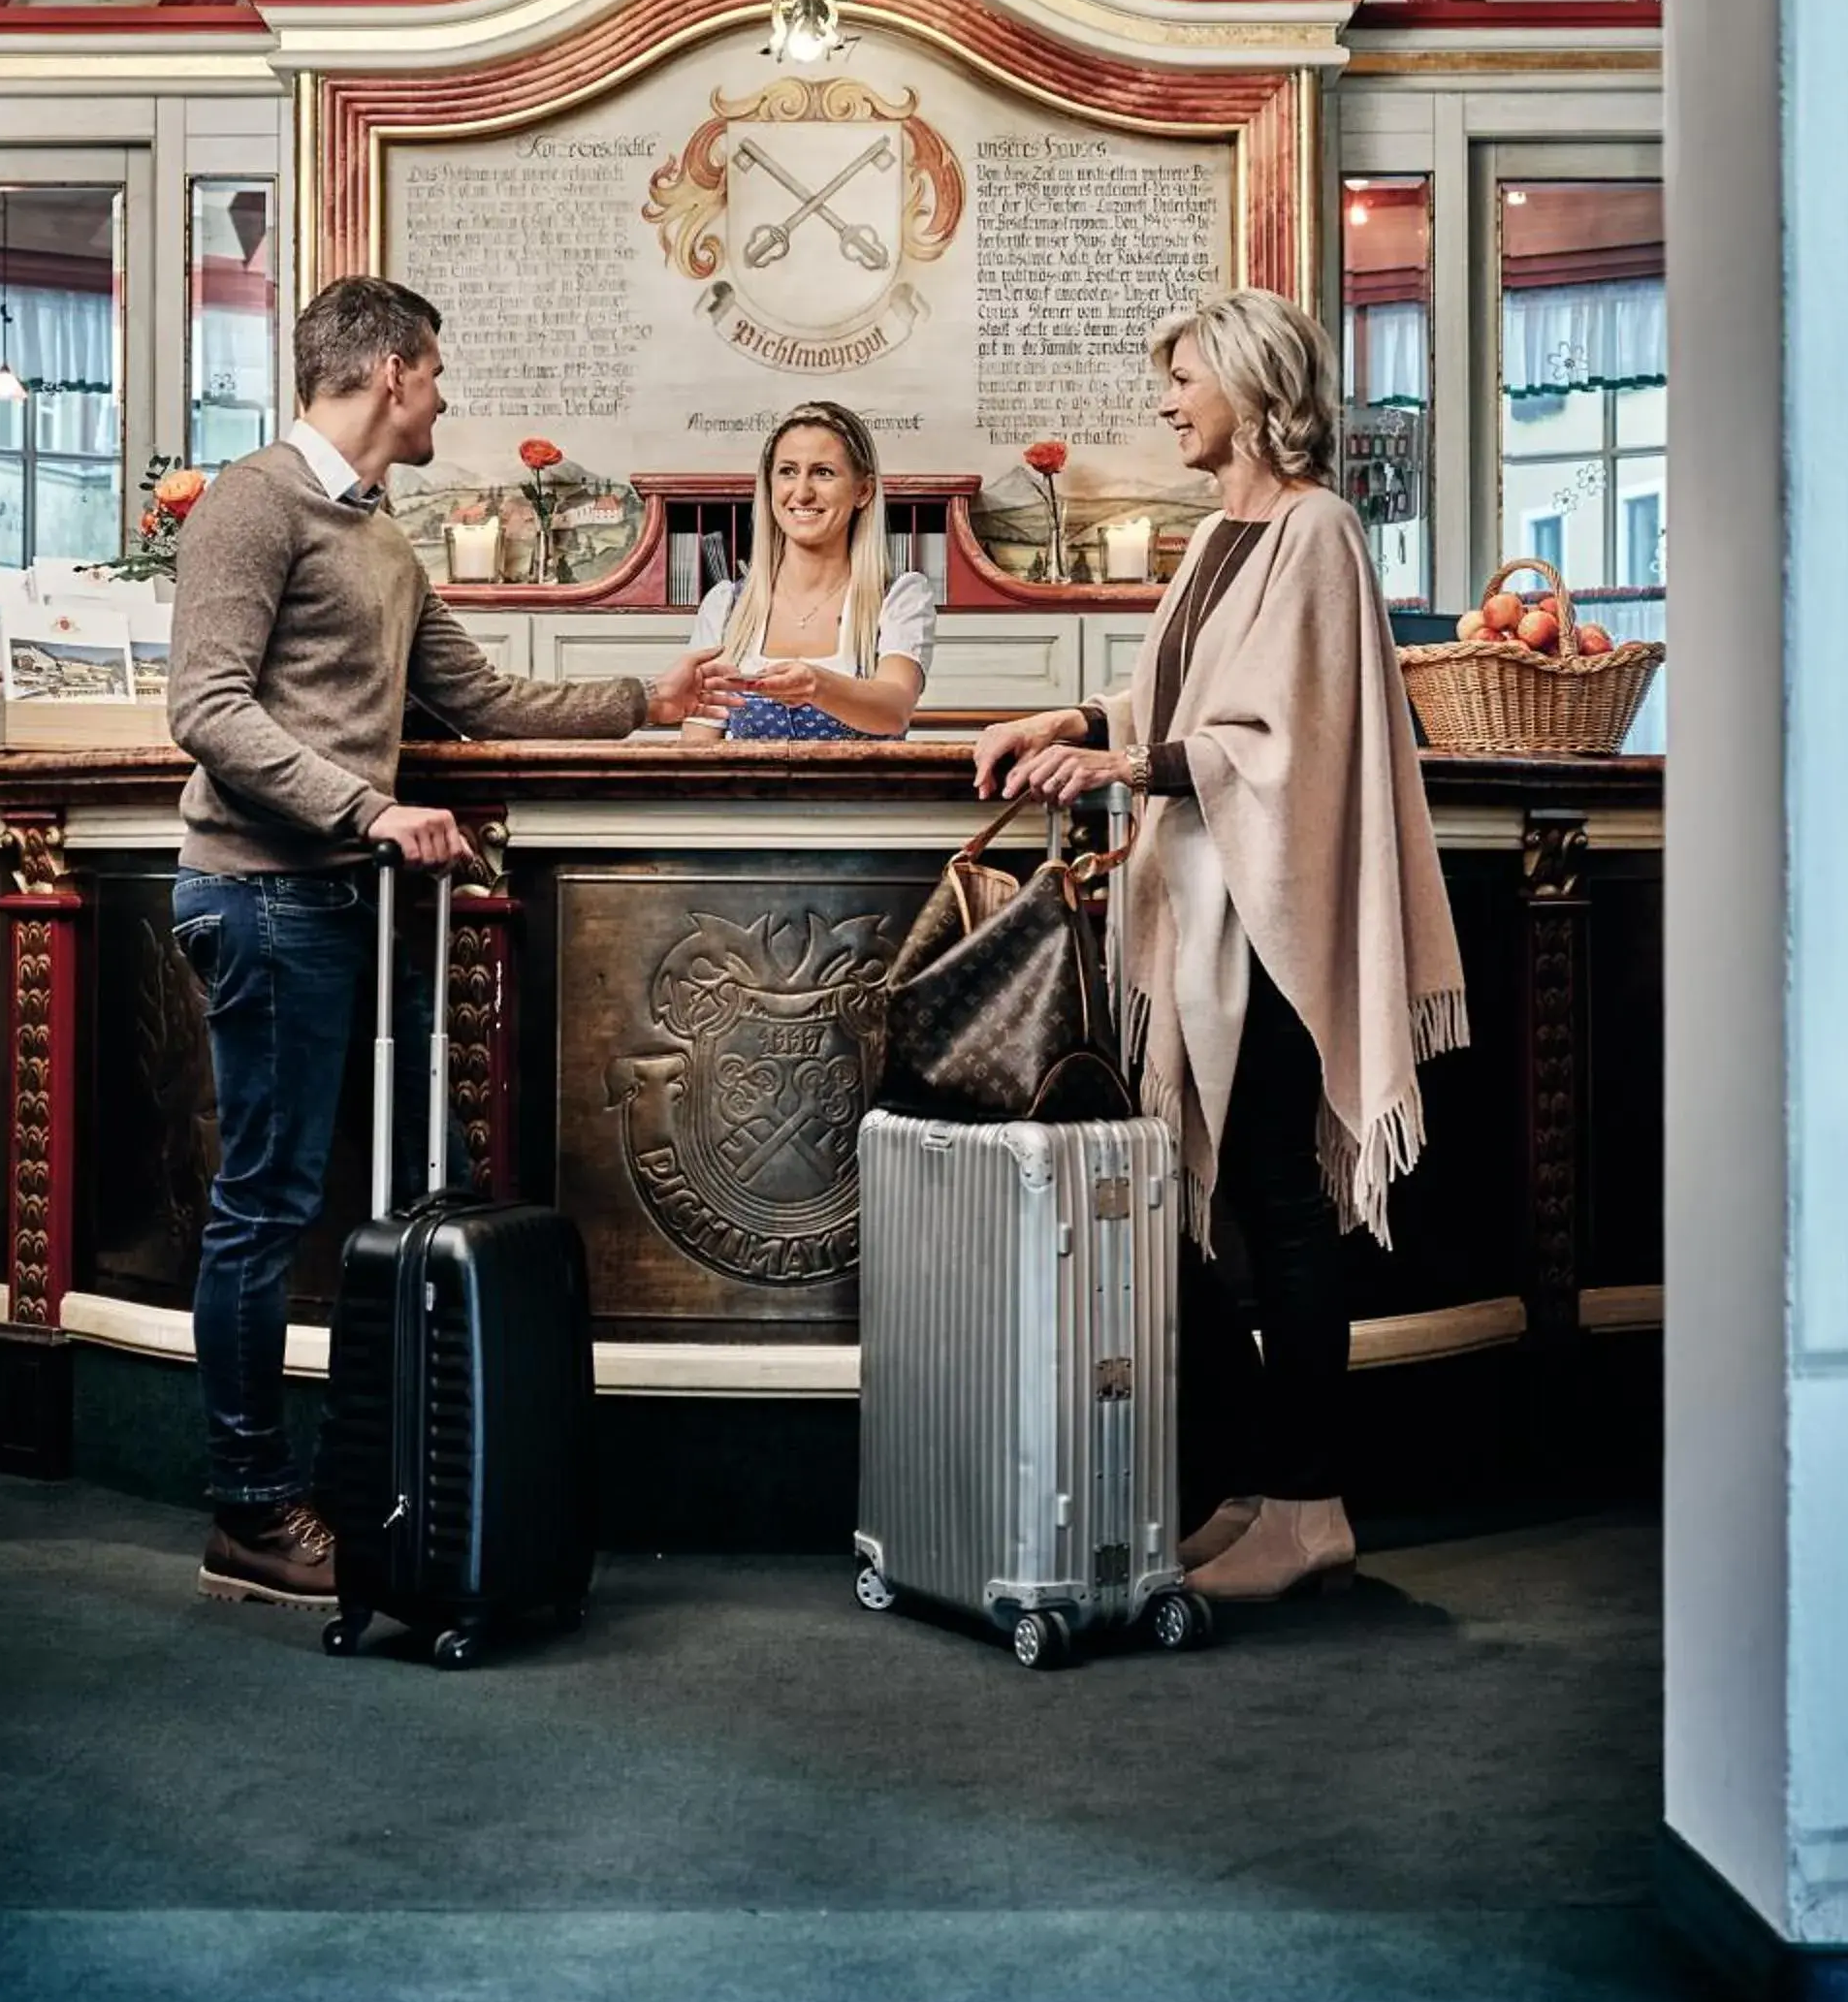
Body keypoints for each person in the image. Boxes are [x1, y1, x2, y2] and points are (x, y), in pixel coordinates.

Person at [167, 274, 717, 1609]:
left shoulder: (382, 539)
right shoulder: (253, 502)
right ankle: (247, 1508)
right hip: (260, 895)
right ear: (391, 371)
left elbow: (480, 696)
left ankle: (404, 1485)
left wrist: (651, 698)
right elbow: (207, 709)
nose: (446, 397)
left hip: (340, 903)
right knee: (262, 1208)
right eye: (435, 374)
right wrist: (369, 806)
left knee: (402, 1187)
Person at [973, 288, 1466, 1602]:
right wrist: (1063, 719)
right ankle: (1258, 1490)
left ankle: (1310, 1509)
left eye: (1181, 379)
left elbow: (1283, 743)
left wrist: (1120, 761)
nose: (1165, 402)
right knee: (1241, 1216)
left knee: (1278, 1211)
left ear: (1248, 387)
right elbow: (1173, 695)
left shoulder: (1316, 530)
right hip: (1204, 924)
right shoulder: (1218, 540)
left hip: (1270, 924)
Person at [690, 400, 936, 739]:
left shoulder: (897, 597)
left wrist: (816, 684)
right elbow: (698, 750)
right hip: (747, 794)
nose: (802, 493)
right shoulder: (726, 606)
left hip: (863, 793)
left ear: (863, 491)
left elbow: (893, 711)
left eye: (823, 472)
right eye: (788, 471)